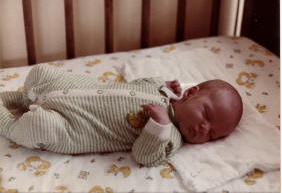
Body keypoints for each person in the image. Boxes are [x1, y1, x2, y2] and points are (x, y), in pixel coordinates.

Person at [0, 64, 243, 167]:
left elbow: (144, 156)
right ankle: (19, 99)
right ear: (191, 93)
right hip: (78, 89)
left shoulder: (171, 137)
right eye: (206, 115)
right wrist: (162, 82)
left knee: (38, 125)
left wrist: (159, 126)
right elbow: (137, 84)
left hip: (75, 125)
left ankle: (8, 124)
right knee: (41, 72)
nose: (203, 128)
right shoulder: (162, 91)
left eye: (211, 135)